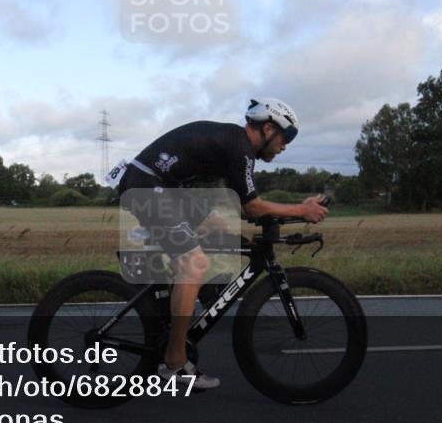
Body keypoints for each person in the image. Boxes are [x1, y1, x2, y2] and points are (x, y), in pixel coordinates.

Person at [112, 98, 330, 390]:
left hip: (157, 185)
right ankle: (174, 363)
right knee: (194, 262)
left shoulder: (235, 146)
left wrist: (289, 210)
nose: (285, 146)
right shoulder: (239, 147)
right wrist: (301, 211)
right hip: (148, 186)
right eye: (286, 137)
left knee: (218, 226)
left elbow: (241, 207)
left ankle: (193, 294)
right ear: (268, 128)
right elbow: (253, 208)